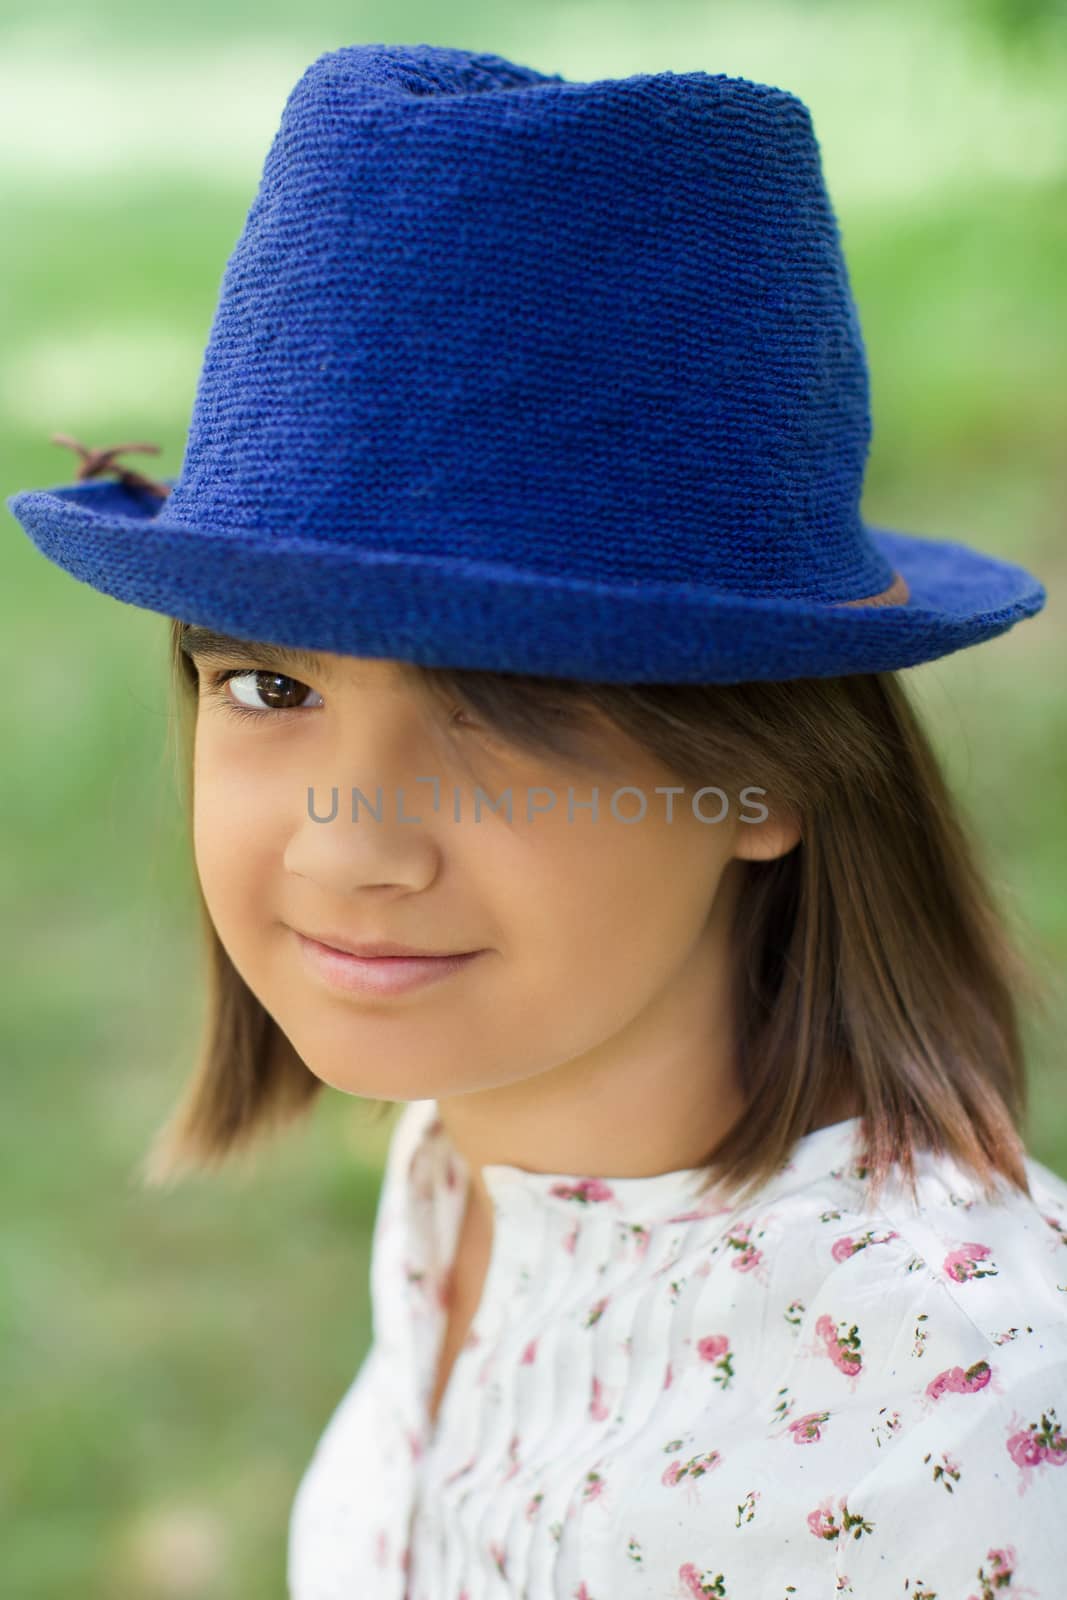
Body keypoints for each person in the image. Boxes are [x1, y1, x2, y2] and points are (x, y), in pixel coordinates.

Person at [9, 40, 1066, 1600]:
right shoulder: (474, 1150)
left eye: (511, 707)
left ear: (767, 769)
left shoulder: (941, 1411)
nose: (353, 842)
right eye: (270, 691)